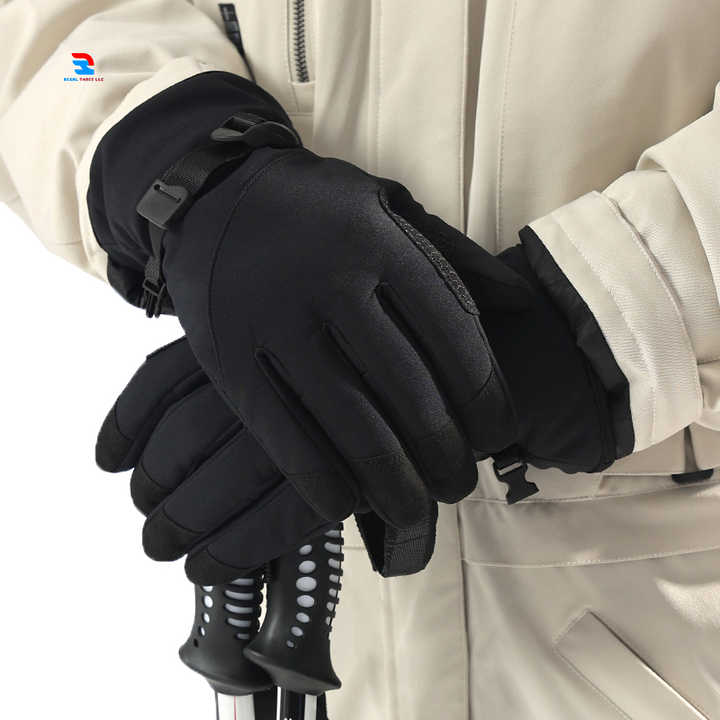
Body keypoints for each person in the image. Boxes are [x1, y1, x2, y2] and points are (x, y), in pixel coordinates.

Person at [2, 2, 719, 718]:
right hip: (325, 627)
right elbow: (65, 33)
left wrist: (595, 319)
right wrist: (177, 158)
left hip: (662, 614)